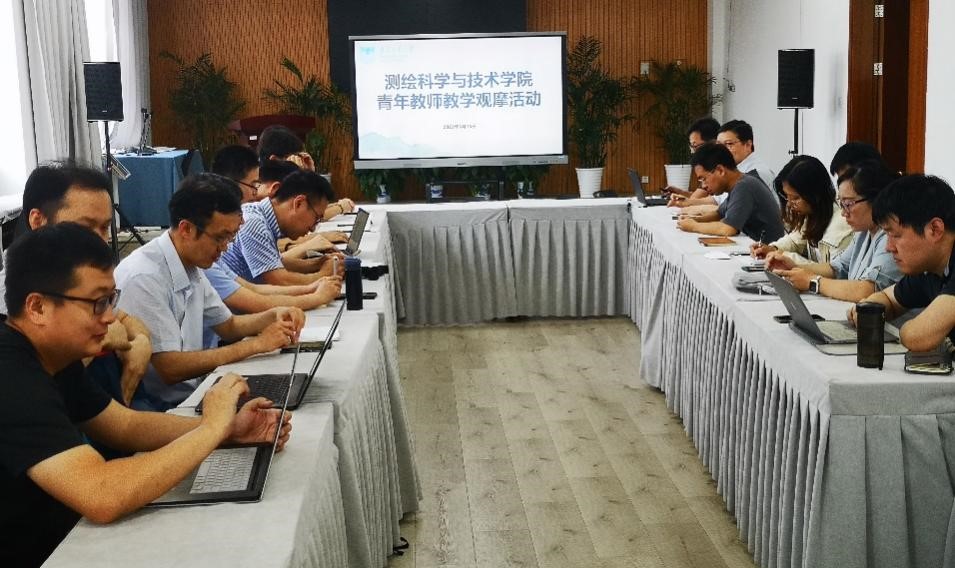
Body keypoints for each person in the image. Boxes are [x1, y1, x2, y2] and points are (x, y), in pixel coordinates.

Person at [0, 223, 291, 567]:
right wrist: (212, 428)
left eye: (111, 300)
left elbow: (124, 426)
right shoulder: (11, 373)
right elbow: (101, 494)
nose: (110, 317)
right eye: (97, 303)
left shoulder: (53, 355)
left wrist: (230, 429)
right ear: (37, 308)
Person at [114, 174, 305, 410]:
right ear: (186, 229)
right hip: (159, 407)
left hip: (193, 391)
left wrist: (273, 315)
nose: (224, 248)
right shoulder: (144, 277)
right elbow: (170, 368)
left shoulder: (191, 262)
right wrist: (256, 345)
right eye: (220, 238)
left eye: (230, 237)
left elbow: (229, 326)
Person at [0, 162, 152, 405]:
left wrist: (142, 341)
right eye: (85, 227)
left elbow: (123, 319)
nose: (100, 241)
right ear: (38, 221)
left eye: (105, 227)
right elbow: (34, 380)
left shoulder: (80, 274)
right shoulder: (11, 296)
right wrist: (103, 338)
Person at [766, 161, 903, 301]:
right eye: (842, 204)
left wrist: (812, 282)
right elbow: (836, 268)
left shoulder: (889, 237)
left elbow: (868, 290)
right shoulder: (863, 232)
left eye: (848, 204)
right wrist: (794, 266)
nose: (843, 213)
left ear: (876, 200)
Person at [850, 175, 955, 351]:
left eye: (895, 235)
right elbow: (888, 300)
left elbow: (918, 337)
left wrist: (904, 330)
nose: (888, 247)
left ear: (935, 229)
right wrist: (868, 309)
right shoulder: (929, 268)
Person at [219, 169, 344, 286]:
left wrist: (317, 263)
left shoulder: (265, 218)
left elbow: (277, 263)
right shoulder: (254, 223)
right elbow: (277, 280)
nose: (313, 228)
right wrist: (323, 274)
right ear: (299, 203)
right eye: (316, 218)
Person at [750, 155, 853, 265]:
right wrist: (773, 248)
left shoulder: (841, 226)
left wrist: (785, 257)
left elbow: (833, 271)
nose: (789, 204)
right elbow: (795, 240)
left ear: (815, 194)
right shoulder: (814, 214)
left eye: (795, 198)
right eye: (787, 197)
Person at [675, 142, 785, 242]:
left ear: (720, 170)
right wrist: (694, 220)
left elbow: (728, 229)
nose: (703, 186)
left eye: (704, 179)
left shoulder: (744, 186)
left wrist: (693, 226)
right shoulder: (739, 184)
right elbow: (719, 214)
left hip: (767, 251)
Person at [257, 125, 355, 219]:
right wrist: (340, 207)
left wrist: (309, 173)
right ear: (274, 160)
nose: (299, 161)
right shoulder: (264, 189)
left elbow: (315, 205)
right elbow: (308, 215)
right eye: (294, 158)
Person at [665, 117, 720, 198]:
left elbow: (697, 200)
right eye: (692, 147)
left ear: (713, 142)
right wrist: (680, 192)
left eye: (695, 146)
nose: (693, 152)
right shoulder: (709, 166)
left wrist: (683, 201)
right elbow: (698, 197)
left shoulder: (719, 168)